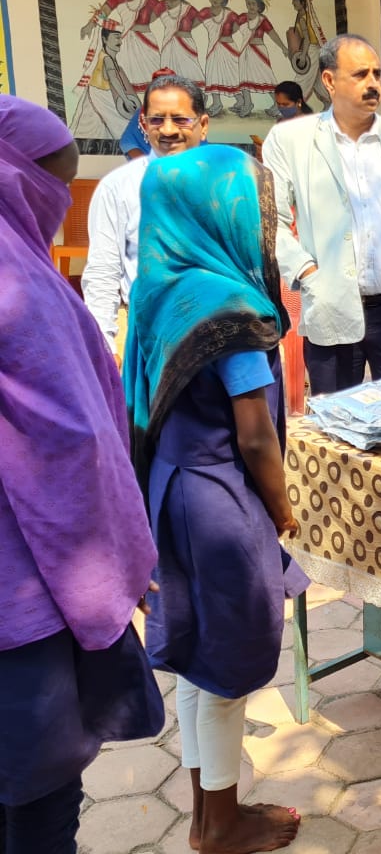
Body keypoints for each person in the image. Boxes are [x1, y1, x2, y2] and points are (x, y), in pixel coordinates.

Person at [125, 143, 306, 854]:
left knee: (200, 661)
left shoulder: (158, 286)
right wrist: (284, 511)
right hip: (222, 501)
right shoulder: (229, 307)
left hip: (169, 494)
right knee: (230, 663)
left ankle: (207, 813)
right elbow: (257, 437)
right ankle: (222, 825)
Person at [0, 94, 164, 854]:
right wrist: (128, 553)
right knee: (39, 790)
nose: (60, 204)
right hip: (26, 590)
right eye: (50, 185)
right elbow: (77, 442)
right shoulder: (20, 287)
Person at [262, 34, 381, 395]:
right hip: (331, 304)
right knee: (337, 430)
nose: (373, 84)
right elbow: (269, 220)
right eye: (360, 74)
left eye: (377, 74)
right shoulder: (291, 140)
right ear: (329, 80)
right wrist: (307, 273)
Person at [82, 74, 209, 361]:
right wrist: (103, 344)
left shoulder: (228, 185)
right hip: (149, 340)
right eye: (156, 120)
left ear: (202, 125)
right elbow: (103, 270)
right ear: (144, 123)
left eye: (180, 119)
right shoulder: (118, 188)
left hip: (222, 341)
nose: (167, 130)